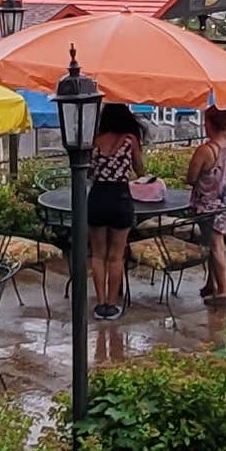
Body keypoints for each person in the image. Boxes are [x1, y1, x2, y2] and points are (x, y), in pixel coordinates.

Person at [85, 99, 145, 315]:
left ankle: (100, 303)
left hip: (98, 197)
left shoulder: (95, 141)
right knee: (116, 256)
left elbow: (89, 171)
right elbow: (140, 170)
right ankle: (112, 304)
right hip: (120, 197)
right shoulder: (130, 140)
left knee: (98, 255)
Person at [186, 102, 226, 307]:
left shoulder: (206, 150)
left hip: (210, 207)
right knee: (222, 243)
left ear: (210, 124)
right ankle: (211, 284)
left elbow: (191, 178)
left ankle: (223, 291)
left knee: (216, 246)